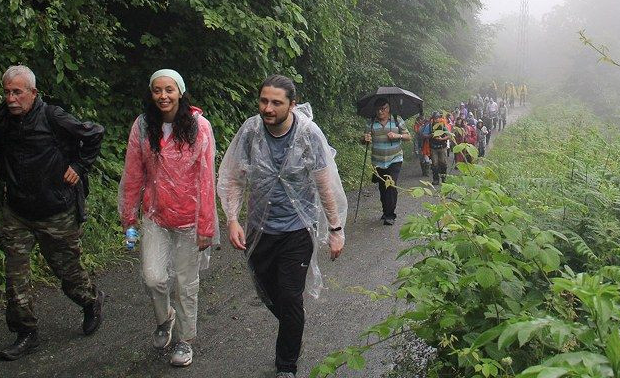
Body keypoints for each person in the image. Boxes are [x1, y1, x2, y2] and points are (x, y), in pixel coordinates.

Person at [217, 75, 347, 378]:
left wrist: (336, 230)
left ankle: (286, 365)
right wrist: (232, 218)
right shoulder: (251, 131)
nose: (268, 108)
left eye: (276, 102)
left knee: (290, 296)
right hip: (260, 228)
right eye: (264, 100)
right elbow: (234, 176)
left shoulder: (307, 134)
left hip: (297, 229)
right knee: (266, 288)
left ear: (292, 103)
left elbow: (325, 185)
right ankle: (293, 326)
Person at [0, 65, 105, 361]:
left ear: (33, 93)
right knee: (14, 272)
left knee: (66, 270)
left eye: (17, 92)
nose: (11, 98)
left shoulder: (52, 116)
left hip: (55, 209)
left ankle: (91, 300)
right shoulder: (2, 119)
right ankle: (26, 332)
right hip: (17, 209)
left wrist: (78, 167)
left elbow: (94, 134)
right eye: (7, 92)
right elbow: (0, 154)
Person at [119, 69, 217, 367]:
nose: (163, 96)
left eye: (169, 90)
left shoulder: (200, 127)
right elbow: (133, 172)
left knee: (186, 284)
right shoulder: (143, 125)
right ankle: (165, 319)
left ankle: (185, 341)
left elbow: (206, 179)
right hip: (156, 216)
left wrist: (206, 225)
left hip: (189, 219)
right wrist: (129, 215)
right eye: (157, 90)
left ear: (180, 92)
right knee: (154, 278)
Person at [362, 98, 411, 226]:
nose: (380, 111)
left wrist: (398, 136)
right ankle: (385, 211)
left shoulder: (397, 120)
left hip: (395, 158)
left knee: (391, 185)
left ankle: (390, 215)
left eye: (383, 109)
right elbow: (365, 139)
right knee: (383, 187)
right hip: (378, 161)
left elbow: (408, 136)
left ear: (388, 108)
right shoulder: (371, 122)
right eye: (378, 109)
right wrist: (365, 139)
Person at [428, 112, 452, 186]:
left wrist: (442, 139)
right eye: (435, 118)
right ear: (433, 119)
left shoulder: (442, 126)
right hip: (433, 147)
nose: (436, 119)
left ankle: (444, 178)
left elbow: (449, 135)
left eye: (438, 118)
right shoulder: (429, 126)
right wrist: (431, 135)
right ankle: (436, 179)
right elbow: (423, 135)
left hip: (442, 147)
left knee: (443, 163)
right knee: (434, 164)